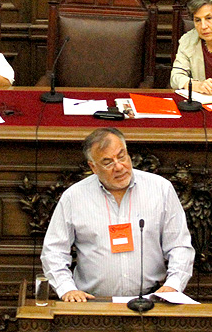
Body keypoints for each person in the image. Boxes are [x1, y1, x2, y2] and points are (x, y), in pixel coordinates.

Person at [40, 128, 194, 302]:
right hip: (93, 302)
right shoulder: (74, 197)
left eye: (122, 157)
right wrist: (67, 289)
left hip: (150, 301)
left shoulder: (161, 189)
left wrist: (173, 285)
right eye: (108, 162)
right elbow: (54, 251)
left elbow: (179, 246)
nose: (119, 167)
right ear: (93, 167)